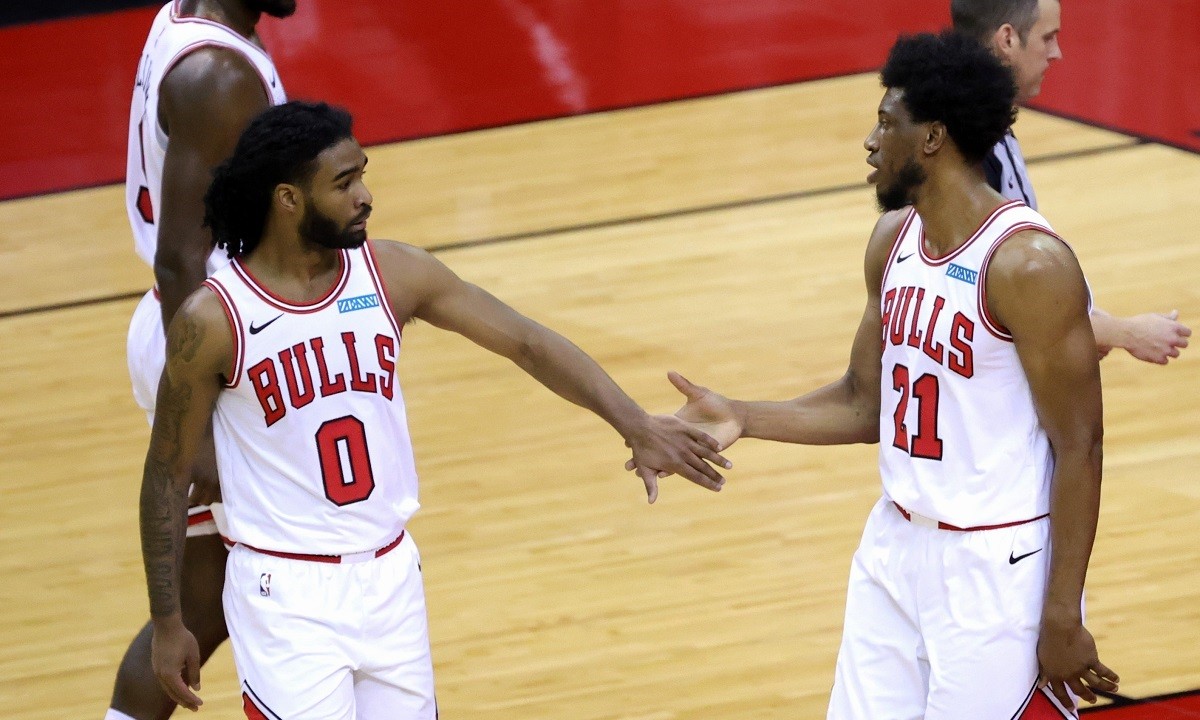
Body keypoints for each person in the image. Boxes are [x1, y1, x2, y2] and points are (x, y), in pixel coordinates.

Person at [138, 100, 732, 718]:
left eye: (363, 175)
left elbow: (526, 342)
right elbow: (166, 474)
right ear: (288, 199)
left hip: (391, 572)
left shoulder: (393, 274)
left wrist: (635, 424)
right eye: (344, 183)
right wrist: (167, 621)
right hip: (285, 592)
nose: (365, 196)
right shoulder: (214, 319)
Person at [654, 31, 1119, 718]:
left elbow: (1081, 444)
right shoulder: (892, 241)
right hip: (894, 544)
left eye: (885, 123)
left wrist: (1062, 612)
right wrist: (743, 416)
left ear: (931, 138)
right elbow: (864, 401)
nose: (871, 144)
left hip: (995, 565)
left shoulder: (1027, 265)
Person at [115, 2, 292, 718]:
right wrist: (204, 430)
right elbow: (179, 256)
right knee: (295, 577)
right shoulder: (218, 74)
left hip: (197, 328)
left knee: (203, 602)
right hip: (214, 344)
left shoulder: (190, 19)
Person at [951, 0, 1191, 364]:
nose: (1056, 53)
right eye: (1047, 38)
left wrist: (1095, 322)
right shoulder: (968, 152)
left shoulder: (985, 124)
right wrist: (1125, 333)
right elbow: (991, 302)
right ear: (1008, 40)